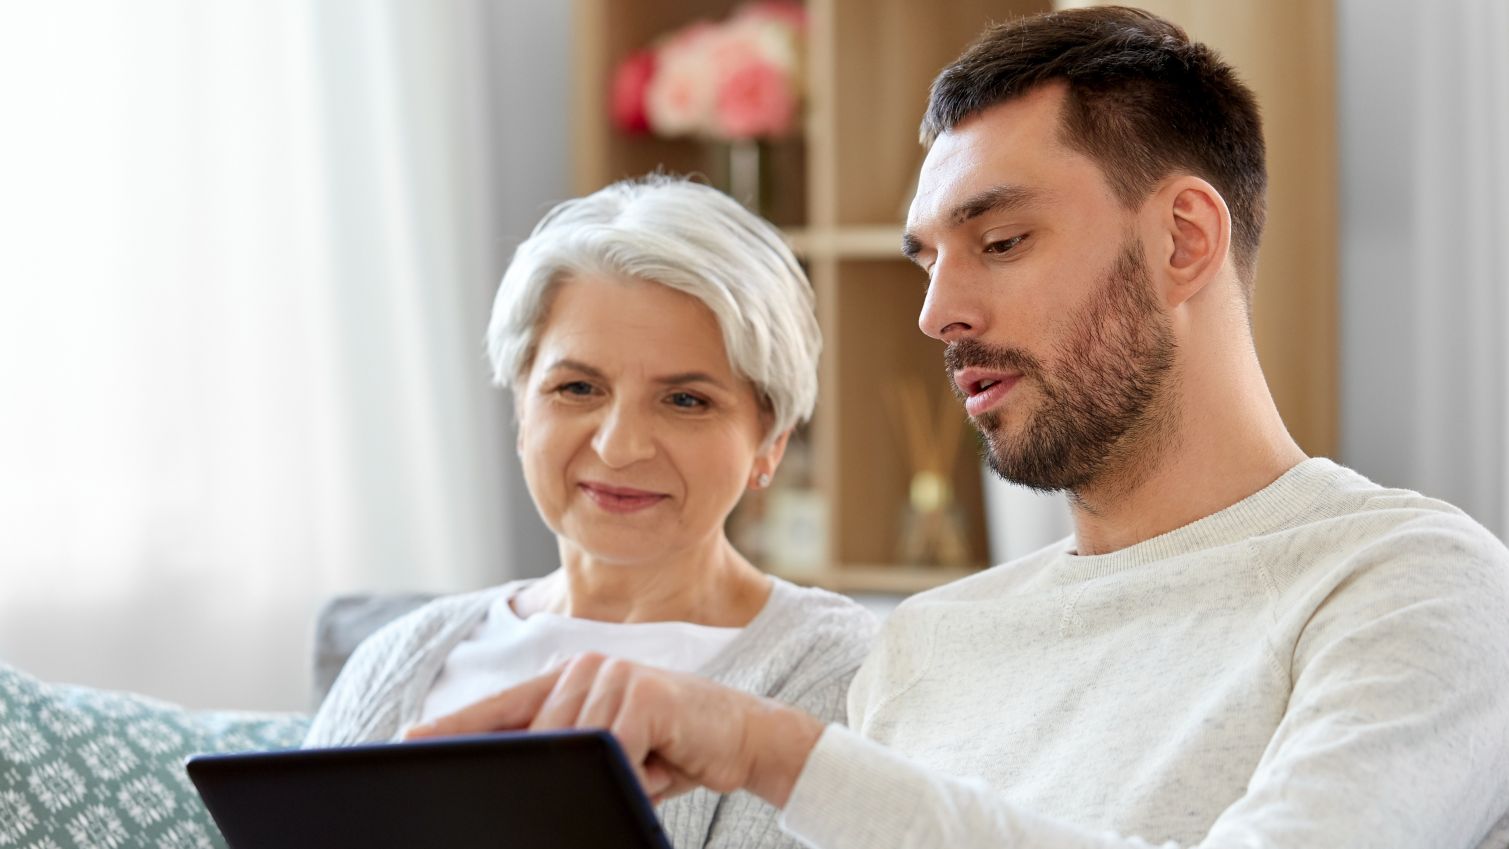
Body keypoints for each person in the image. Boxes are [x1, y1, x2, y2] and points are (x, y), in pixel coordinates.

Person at [406, 7, 1509, 848]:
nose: (938, 314)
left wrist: (774, 751)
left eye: (1001, 241)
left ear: (1183, 241)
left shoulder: (1409, 580)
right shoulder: (930, 643)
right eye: (929, 258)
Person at [305, 175, 877, 849]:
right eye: (577, 387)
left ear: (769, 442)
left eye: (685, 400)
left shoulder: (840, 671)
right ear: (522, 410)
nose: (619, 445)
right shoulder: (401, 656)